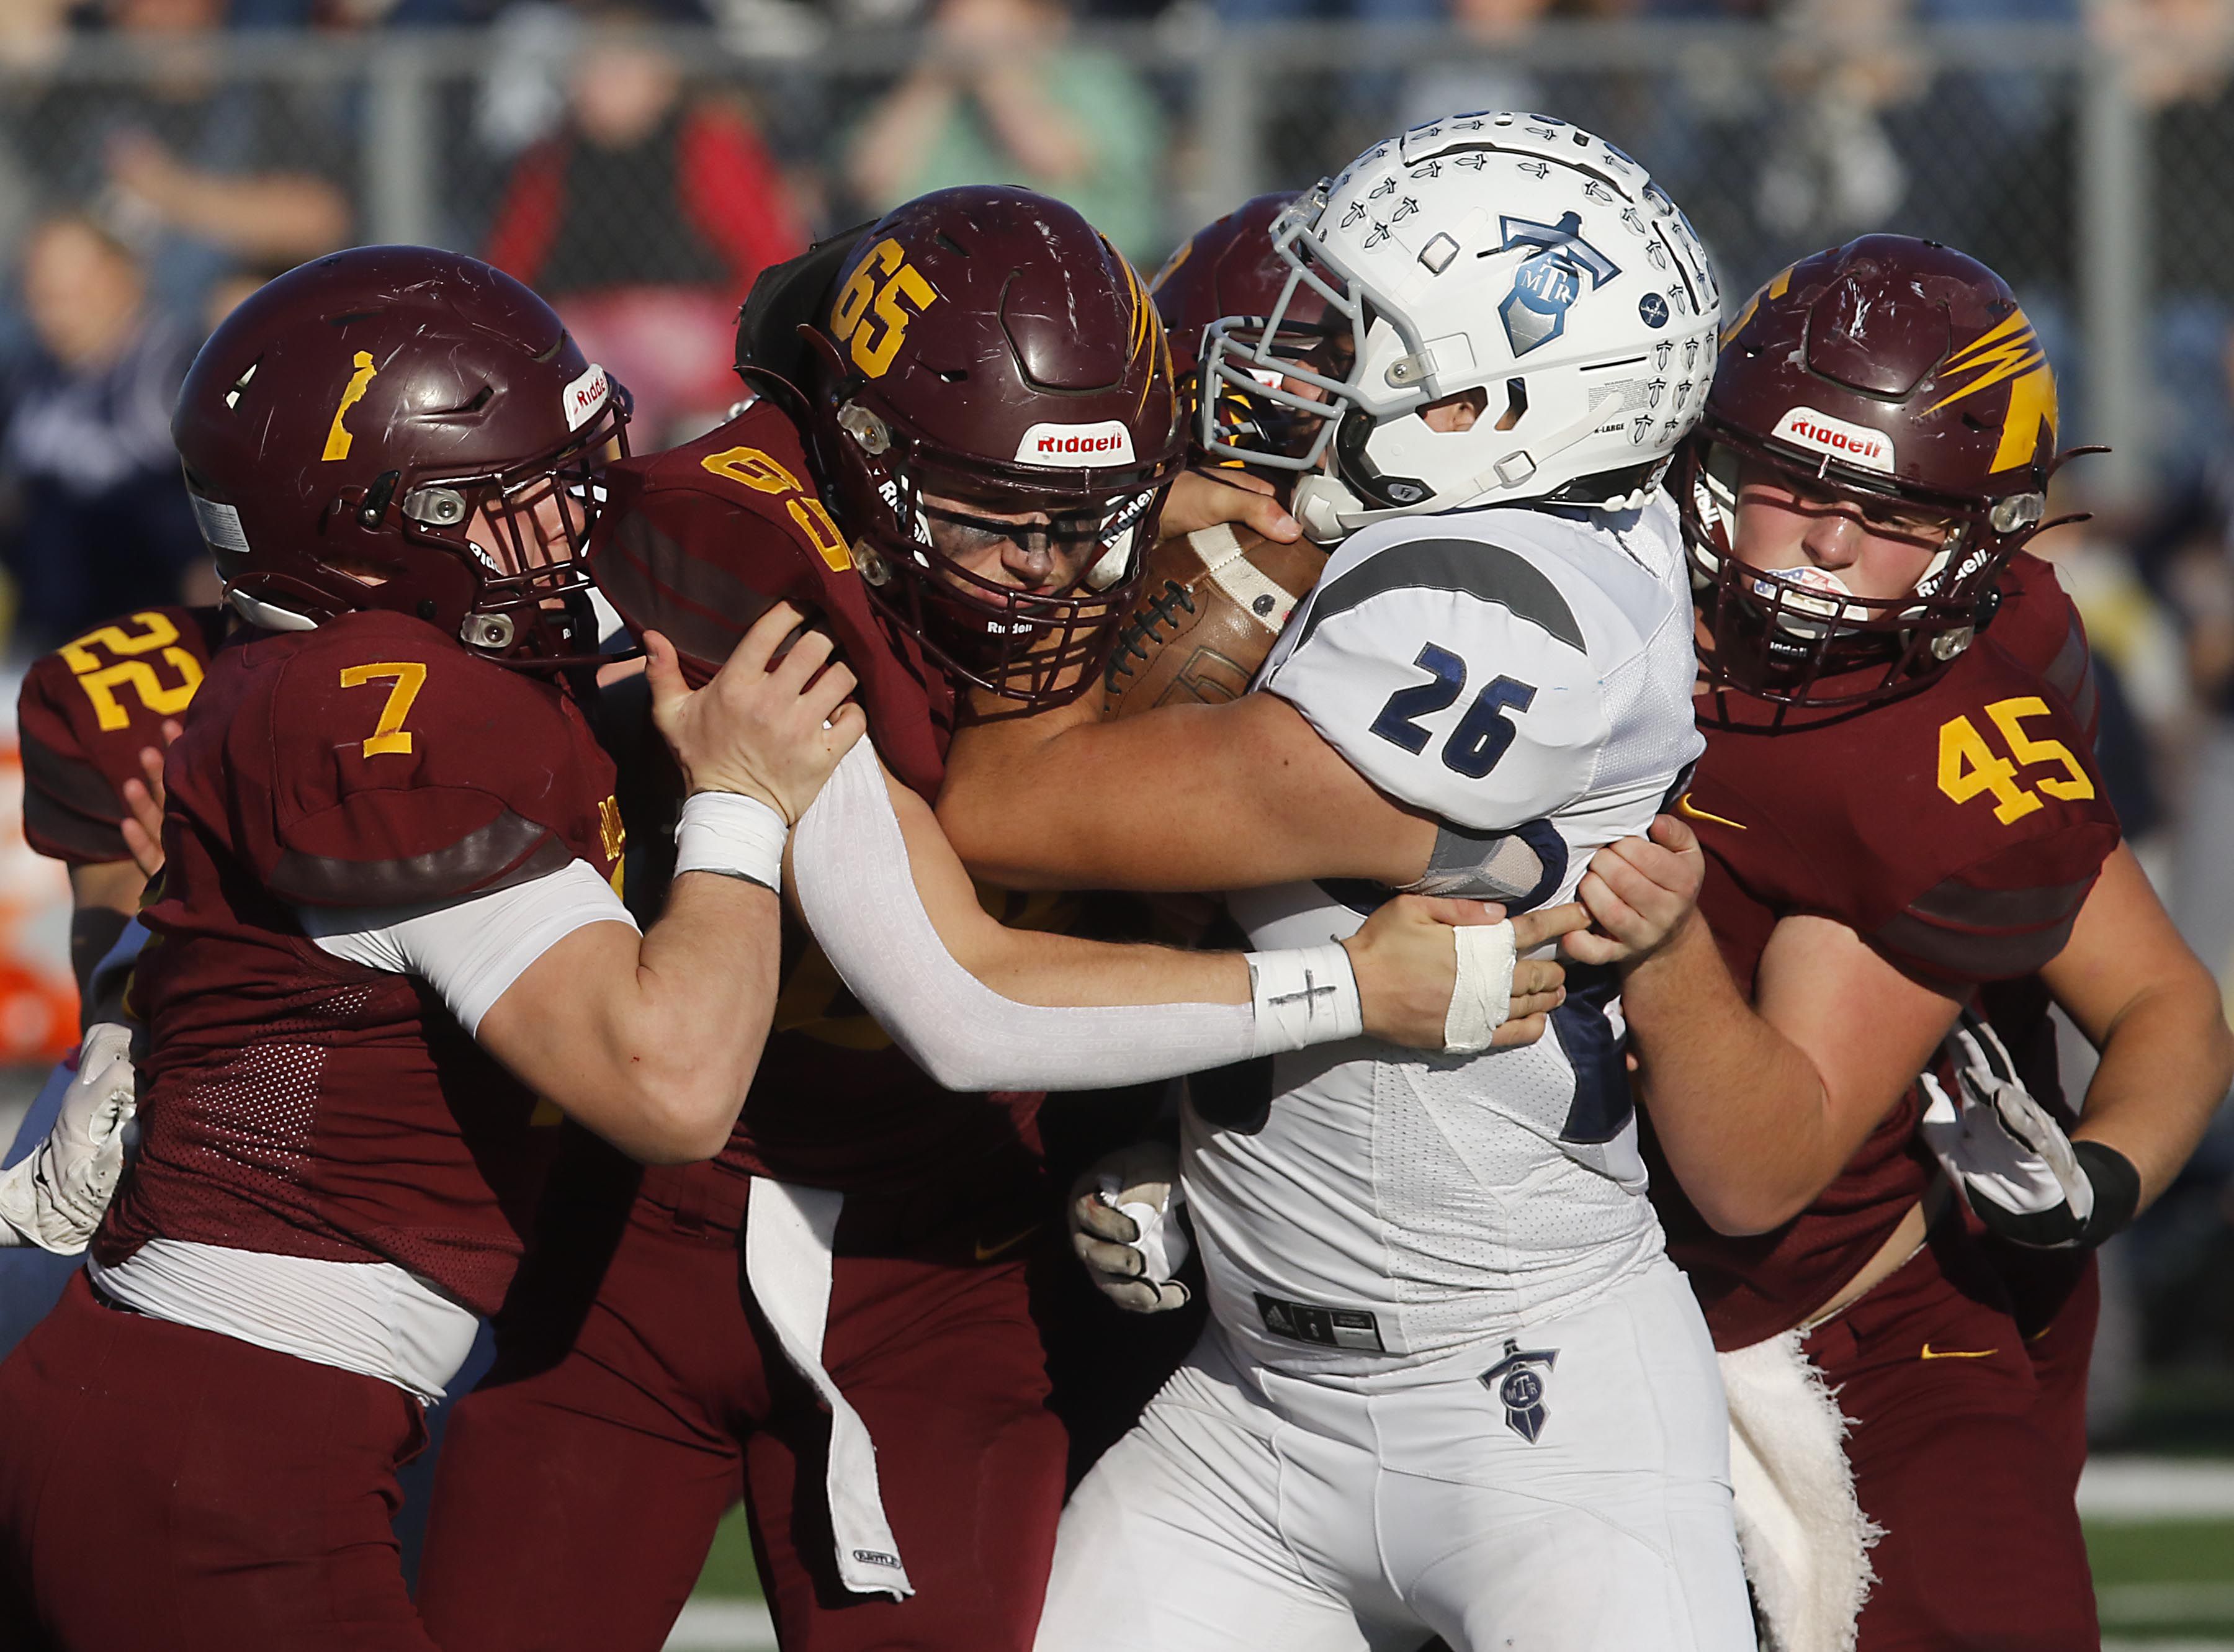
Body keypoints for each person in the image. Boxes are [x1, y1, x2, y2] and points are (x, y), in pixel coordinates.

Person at [414, 185, 1559, 1652]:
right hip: (637, 1242)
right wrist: (1351, 983)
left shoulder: (1149, 543)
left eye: (1083, 521)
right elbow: (961, 989)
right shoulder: (730, 532)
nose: (1042, 566)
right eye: (995, 516)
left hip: (950, 1266)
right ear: (863, 456)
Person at [933, 120, 1756, 1652]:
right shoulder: (1548, 518)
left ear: (1492, 402)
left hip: (1532, 1406)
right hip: (1252, 1406)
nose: (1301, 366)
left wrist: (1075, 549)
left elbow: (1008, 808)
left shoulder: (1506, 614)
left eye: (1359, 334)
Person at [0, 243, 865, 1651]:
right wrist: (740, 804)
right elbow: (669, 1083)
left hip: (218, 1400)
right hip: (228, 1430)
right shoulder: (380, 715)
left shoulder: (363, 679)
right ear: (373, 530)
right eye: (522, 500)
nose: (578, 522)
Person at [1585, 235, 2232, 1651]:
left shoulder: (1944, 737)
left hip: (1857, 1313)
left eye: (1892, 514)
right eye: (1800, 487)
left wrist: (2093, 1179)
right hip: (1544, 1299)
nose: (1830, 545)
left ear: (1982, 535)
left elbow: (2164, 1004)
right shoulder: (1591, 596)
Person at [483, 2, 807, 444]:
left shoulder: (706, 144)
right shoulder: (553, 158)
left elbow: (770, 261)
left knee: (625, 386)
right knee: (588, 374)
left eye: (623, 66)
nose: (604, 82)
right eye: (593, 66)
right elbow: (509, 270)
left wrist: (744, 356)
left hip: (689, 323)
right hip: (583, 326)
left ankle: (626, 472)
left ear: (664, 77)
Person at [0, 215, 212, 646]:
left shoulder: (181, 369)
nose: (54, 297)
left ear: (126, 275)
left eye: (76, 278)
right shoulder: (25, 379)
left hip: (163, 624)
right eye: (40, 281)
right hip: (53, 628)